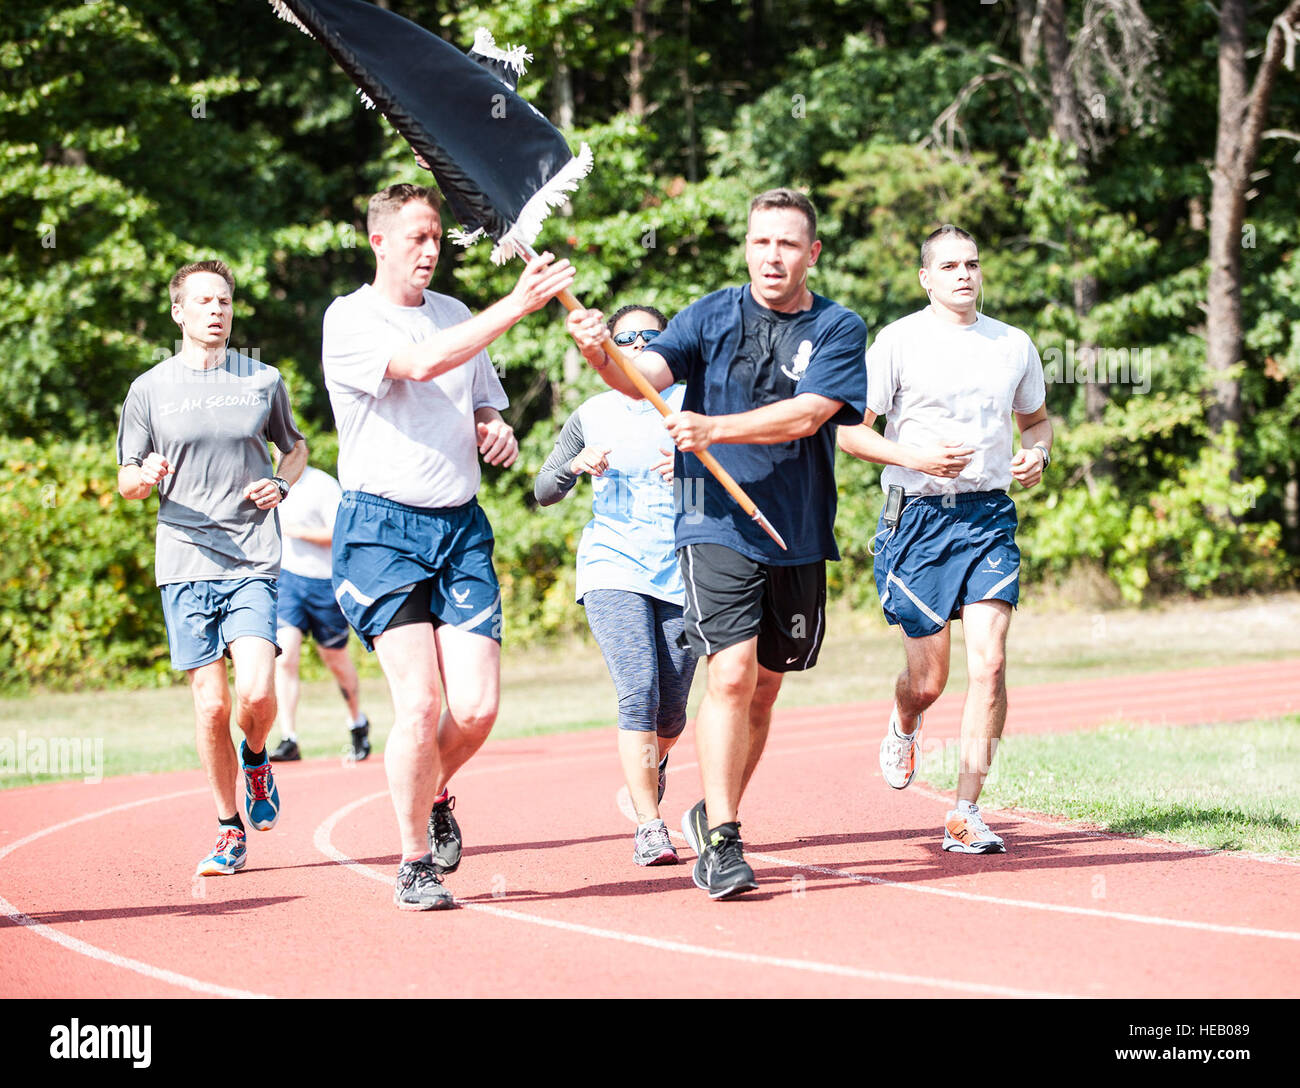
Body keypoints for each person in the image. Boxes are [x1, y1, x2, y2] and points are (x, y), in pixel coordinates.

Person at [567, 189, 867, 899]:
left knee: (765, 686)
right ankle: (726, 840)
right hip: (712, 520)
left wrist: (713, 429)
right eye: (762, 241)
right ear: (747, 248)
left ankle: (713, 806)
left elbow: (811, 415)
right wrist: (597, 353)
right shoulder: (710, 313)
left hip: (794, 528)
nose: (773, 255)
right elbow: (641, 382)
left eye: (788, 244)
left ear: (812, 253)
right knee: (729, 674)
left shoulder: (839, 327)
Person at [322, 182, 574, 910]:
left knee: (478, 707)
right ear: (378, 241)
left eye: (436, 237)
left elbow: (476, 395)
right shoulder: (350, 319)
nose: (430, 250)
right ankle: (411, 865)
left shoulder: (458, 313)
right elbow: (422, 365)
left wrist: (494, 425)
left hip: (459, 526)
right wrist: (521, 304)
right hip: (381, 529)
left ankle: (431, 791)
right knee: (420, 701)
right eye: (416, 238)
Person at [837, 224, 1052, 854]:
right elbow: (850, 434)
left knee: (991, 662)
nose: (964, 274)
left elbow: (1035, 422)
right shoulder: (898, 342)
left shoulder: (1012, 344)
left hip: (988, 515)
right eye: (950, 266)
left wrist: (1037, 456)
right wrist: (919, 459)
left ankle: (965, 810)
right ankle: (906, 721)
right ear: (926, 277)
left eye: (973, 264)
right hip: (919, 520)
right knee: (929, 681)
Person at [116, 259, 308, 877]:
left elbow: (296, 446)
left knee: (256, 692)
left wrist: (281, 482)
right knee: (211, 707)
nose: (215, 310)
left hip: (251, 552)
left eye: (223, 301)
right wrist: (142, 478)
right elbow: (126, 476)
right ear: (178, 311)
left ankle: (257, 758)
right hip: (183, 557)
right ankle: (229, 830)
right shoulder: (148, 389)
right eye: (202, 301)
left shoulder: (262, 379)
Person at [536, 304, 698, 867]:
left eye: (646, 337)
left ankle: (653, 763)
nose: (632, 345)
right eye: (622, 337)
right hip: (612, 564)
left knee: (673, 709)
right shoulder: (593, 411)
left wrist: (692, 471)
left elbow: (738, 478)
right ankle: (649, 825)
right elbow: (543, 488)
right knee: (639, 689)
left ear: (665, 345)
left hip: (681, 568)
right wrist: (574, 464)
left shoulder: (692, 407)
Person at [268, 463, 372, 764]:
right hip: (287, 579)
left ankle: (357, 722)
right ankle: (289, 738)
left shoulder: (322, 485)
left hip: (325, 582)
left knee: (335, 659)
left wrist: (298, 532)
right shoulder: (268, 484)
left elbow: (340, 533)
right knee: (285, 656)